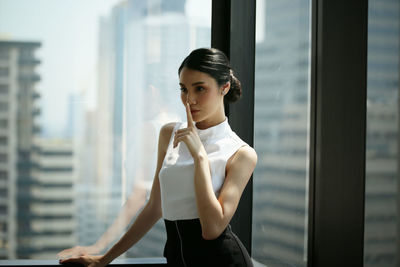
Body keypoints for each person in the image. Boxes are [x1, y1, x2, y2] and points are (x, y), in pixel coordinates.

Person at [59, 47, 257, 267]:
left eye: (200, 88)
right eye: (184, 89)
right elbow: (154, 207)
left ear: (225, 88)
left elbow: (212, 229)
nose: (189, 99)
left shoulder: (241, 153)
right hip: (176, 260)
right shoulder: (169, 133)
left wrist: (200, 157)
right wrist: (104, 258)